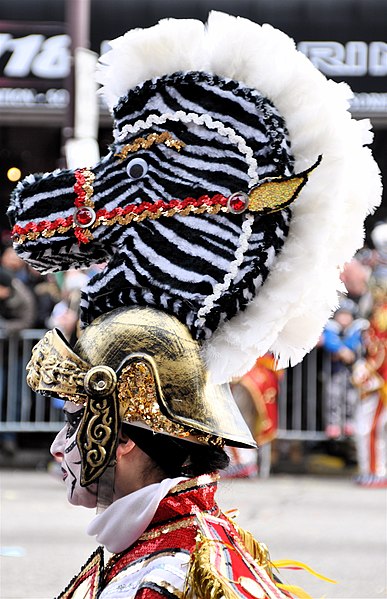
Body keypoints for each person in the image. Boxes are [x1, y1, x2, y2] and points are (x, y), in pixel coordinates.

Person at [7, 11, 381, 599]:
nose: (60, 444)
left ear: (123, 433)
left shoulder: (165, 576)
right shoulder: (167, 548)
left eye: (78, 415)